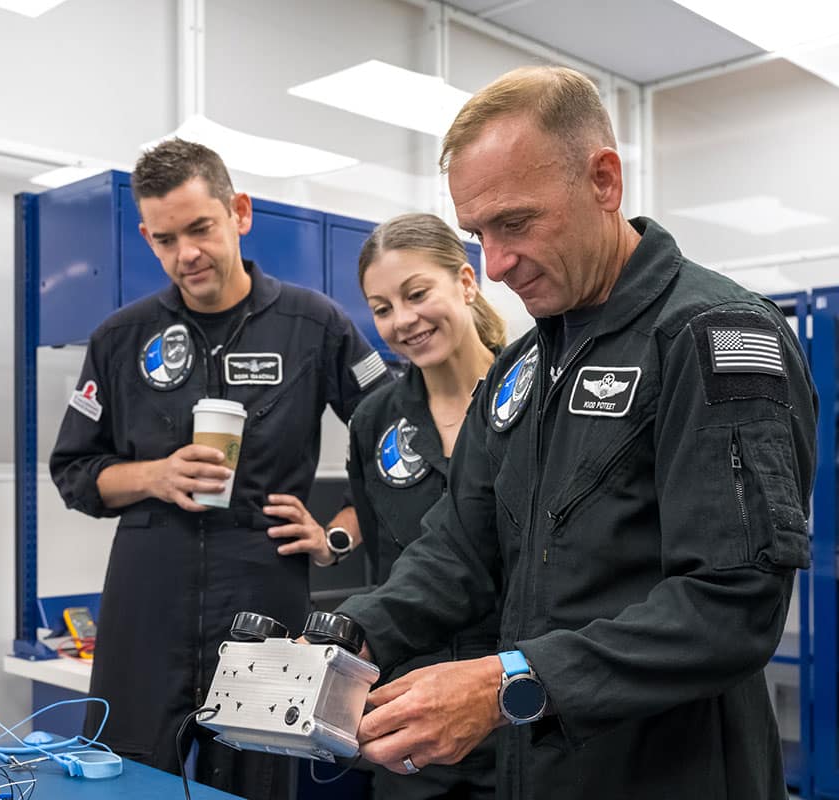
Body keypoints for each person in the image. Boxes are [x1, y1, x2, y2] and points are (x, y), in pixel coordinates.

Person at [336, 66, 817, 799]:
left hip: (674, 773)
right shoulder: (526, 365)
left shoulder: (710, 336)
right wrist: (352, 631)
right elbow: (462, 546)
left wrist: (507, 683)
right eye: (478, 235)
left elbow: (732, 605)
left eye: (517, 223)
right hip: (543, 767)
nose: (494, 266)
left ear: (603, 180)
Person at [49, 138, 390, 799]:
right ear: (147, 237)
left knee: (257, 780)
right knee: (128, 781)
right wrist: (155, 476)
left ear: (239, 211)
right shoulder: (120, 338)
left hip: (264, 590)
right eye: (166, 239)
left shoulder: (313, 324)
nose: (187, 255)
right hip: (147, 597)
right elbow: (74, 471)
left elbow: (396, 448)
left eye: (200, 228)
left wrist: (337, 536)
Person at [346, 212, 505, 799]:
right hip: (408, 717)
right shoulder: (374, 421)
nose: (403, 321)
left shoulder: (534, 396)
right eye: (382, 307)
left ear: (466, 281)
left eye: (417, 294)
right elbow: (383, 564)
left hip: (514, 705)